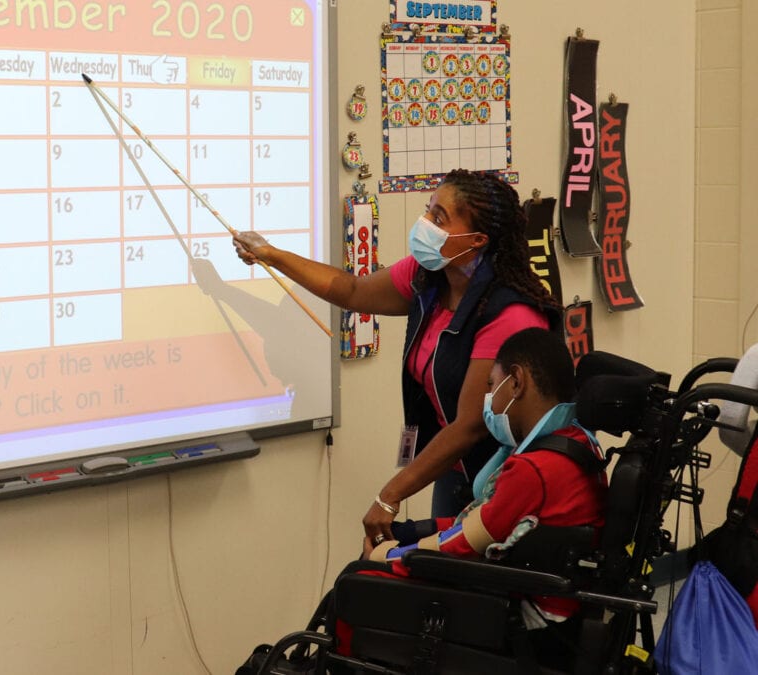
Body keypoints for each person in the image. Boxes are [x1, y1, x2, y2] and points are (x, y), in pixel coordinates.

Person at [231, 169, 561, 538]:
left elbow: (469, 425)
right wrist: (271, 255)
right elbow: (352, 290)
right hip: (456, 473)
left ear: (478, 239)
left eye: (439, 218)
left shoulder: (507, 313)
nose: (425, 224)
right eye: (428, 210)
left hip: (506, 478)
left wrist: (390, 496)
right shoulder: (430, 278)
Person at [337, 327, 606, 667]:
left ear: (517, 382)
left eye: (492, 385)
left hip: (526, 617)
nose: (489, 399)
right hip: (552, 600)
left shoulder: (535, 469)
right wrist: (414, 531)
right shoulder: (580, 444)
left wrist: (387, 554)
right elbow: (487, 522)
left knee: (356, 582)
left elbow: (466, 543)